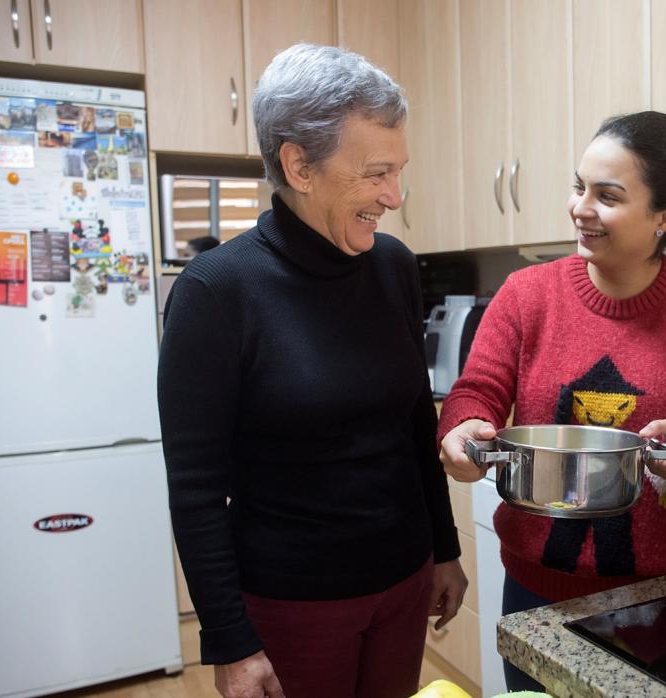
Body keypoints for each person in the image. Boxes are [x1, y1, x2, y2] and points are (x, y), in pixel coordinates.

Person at [158, 44, 467, 698]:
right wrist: (230, 639)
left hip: (404, 582)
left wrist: (443, 549)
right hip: (292, 605)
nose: (394, 195)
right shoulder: (216, 291)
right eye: (376, 172)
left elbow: (416, 425)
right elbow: (195, 487)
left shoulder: (394, 267)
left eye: (398, 170)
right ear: (299, 165)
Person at [438, 111, 666, 690]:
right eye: (578, 186)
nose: (580, 208)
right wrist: (465, 428)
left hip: (663, 603)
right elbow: (476, 392)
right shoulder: (526, 294)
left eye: (607, 196)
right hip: (538, 597)